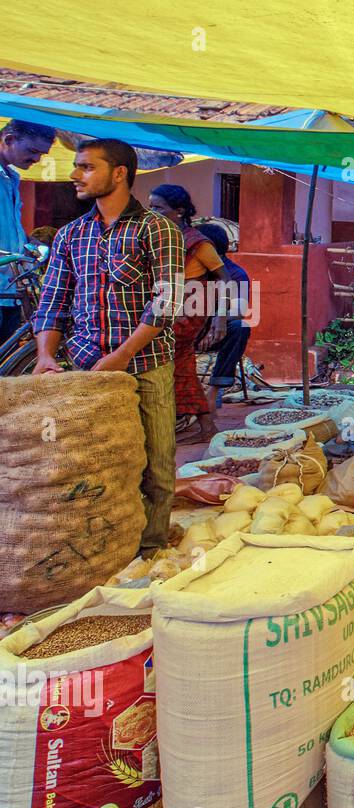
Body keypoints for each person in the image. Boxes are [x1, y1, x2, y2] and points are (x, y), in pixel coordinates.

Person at [31, 139, 183, 557]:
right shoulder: (70, 235)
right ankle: (104, 545)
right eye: (77, 167)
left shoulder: (156, 228)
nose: (75, 175)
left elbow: (167, 301)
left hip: (145, 364)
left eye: (86, 167)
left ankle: (149, 549)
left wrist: (123, 355)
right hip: (84, 368)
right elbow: (53, 303)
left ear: (119, 173)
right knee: (93, 461)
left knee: (157, 464)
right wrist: (46, 356)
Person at [147, 185, 228, 441]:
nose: (152, 213)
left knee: (160, 356)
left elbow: (224, 279)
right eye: (150, 207)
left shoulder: (197, 242)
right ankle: (204, 426)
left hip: (188, 310)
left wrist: (220, 318)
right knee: (180, 365)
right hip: (165, 306)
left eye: (159, 208)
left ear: (179, 211)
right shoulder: (159, 237)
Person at [0, 120, 56, 343]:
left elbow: (12, 232)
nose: (36, 160)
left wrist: (32, 244)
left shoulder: (11, 178)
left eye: (41, 154)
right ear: (9, 140)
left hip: (10, 293)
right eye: (33, 151)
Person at [196, 222, 252, 411]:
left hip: (217, 333)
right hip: (188, 330)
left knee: (240, 327)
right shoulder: (191, 269)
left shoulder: (236, 274)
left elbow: (238, 311)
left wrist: (215, 322)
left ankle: (214, 391)